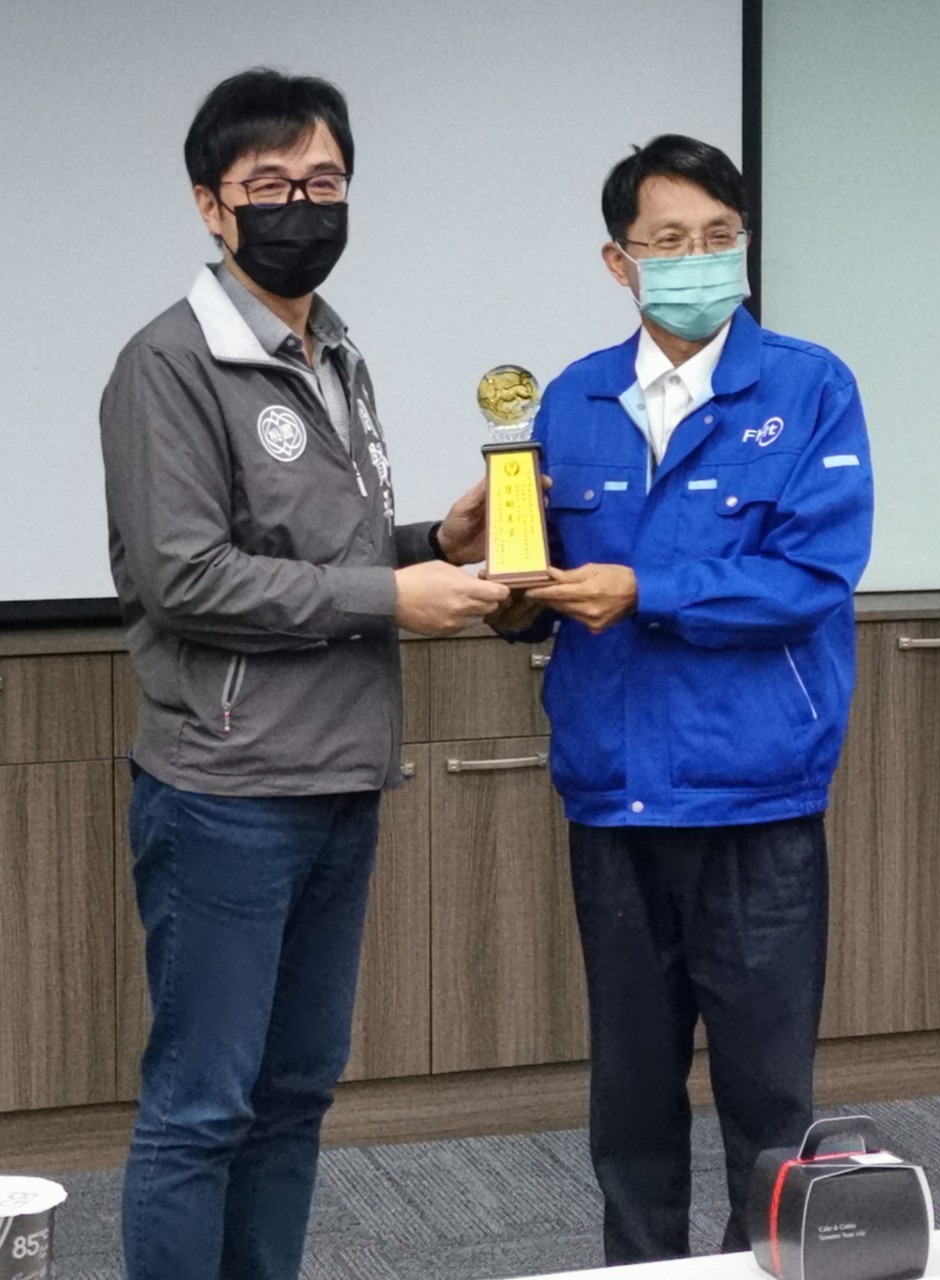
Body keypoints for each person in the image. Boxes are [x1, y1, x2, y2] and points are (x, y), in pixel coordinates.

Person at [99, 68, 507, 1280]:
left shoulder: (334, 351)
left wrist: (433, 542)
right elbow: (187, 577)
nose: (301, 205)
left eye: (323, 181)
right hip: (228, 789)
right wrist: (394, 595)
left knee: (292, 1094)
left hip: (339, 777)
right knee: (201, 1103)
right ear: (209, 205)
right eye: (268, 184)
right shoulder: (169, 363)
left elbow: (318, 549)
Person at [496, 134, 873, 1263]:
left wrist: (644, 589)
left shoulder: (809, 385)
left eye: (718, 236)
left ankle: (775, 1266)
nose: (698, 258)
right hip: (615, 797)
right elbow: (540, 591)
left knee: (769, 1104)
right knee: (630, 1104)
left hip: (755, 798)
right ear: (619, 262)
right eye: (669, 241)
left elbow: (810, 580)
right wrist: (500, 583)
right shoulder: (572, 397)